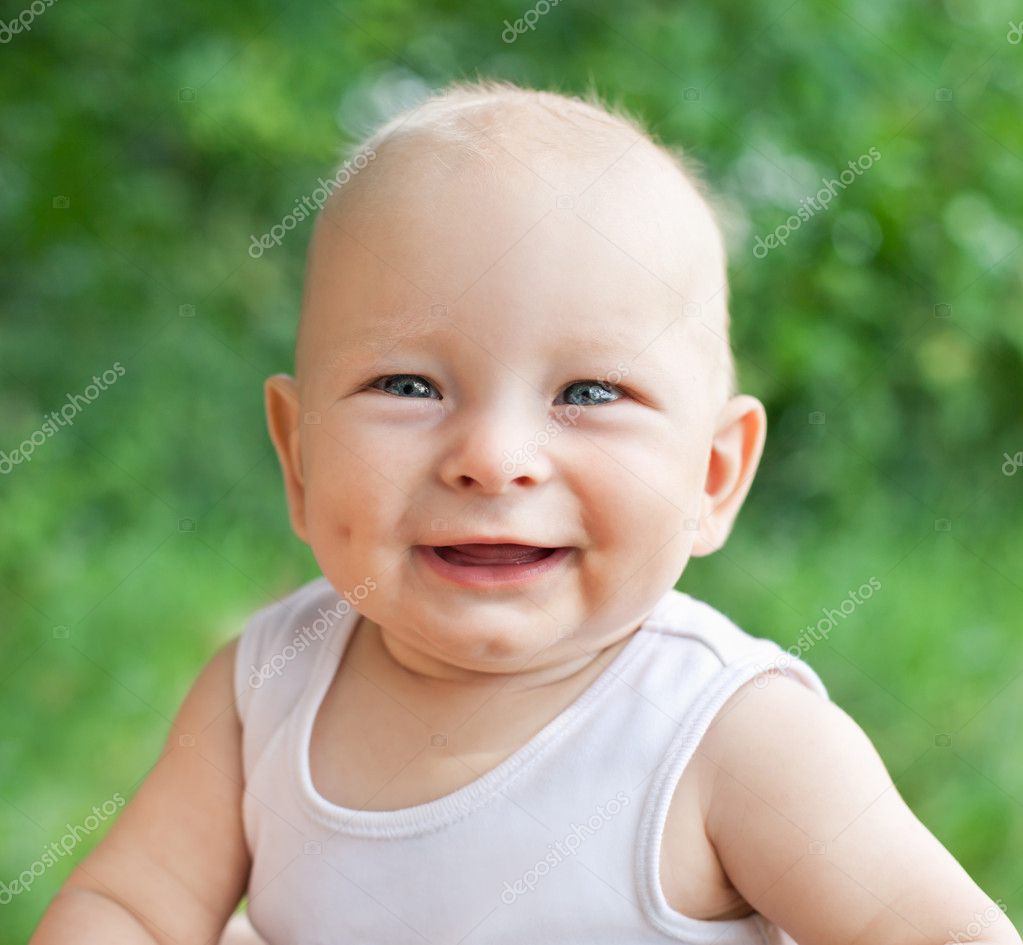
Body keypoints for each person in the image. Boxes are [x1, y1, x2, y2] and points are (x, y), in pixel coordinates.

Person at [31, 78, 1021, 945]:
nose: (493, 460)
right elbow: (131, 908)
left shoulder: (727, 739)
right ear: (298, 455)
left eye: (589, 394)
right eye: (409, 386)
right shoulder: (264, 693)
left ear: (714, 477)